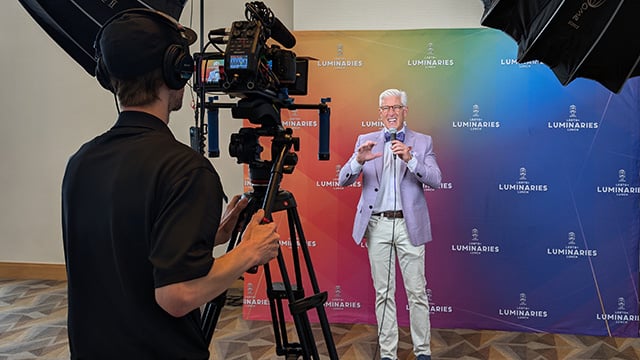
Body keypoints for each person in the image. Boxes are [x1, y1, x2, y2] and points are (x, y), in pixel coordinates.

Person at [61, 9, 280, 360]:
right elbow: (178, 295)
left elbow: (124, 245)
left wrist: (211, 235)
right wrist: (249, 252)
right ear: (176, 70)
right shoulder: (186, 170)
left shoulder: (81, 161)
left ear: (108, 77)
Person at [338, 88, 442, 360]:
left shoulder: (422, 142)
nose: (391, 112)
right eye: (386, 108)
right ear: (380, 113)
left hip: (410, 226)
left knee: (417, 291)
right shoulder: (366, 141)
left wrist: (411, 158)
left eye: (396, 107)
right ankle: (387, 354)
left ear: (405, 111)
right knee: (383, 293)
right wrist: (358, 161)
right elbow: (342, 179)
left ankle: (423, 352)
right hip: (378, 226)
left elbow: (435, 179)